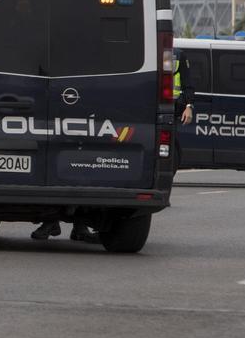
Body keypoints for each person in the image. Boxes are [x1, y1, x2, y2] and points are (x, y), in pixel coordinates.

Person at [32, 51, 195, 243]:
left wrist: (189, 105)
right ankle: (54, 223)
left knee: (81, 169)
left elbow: (186, 82)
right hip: (82, 113)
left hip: (158, 112)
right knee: (66, 169)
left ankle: (75, 226)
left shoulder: (171, 55)